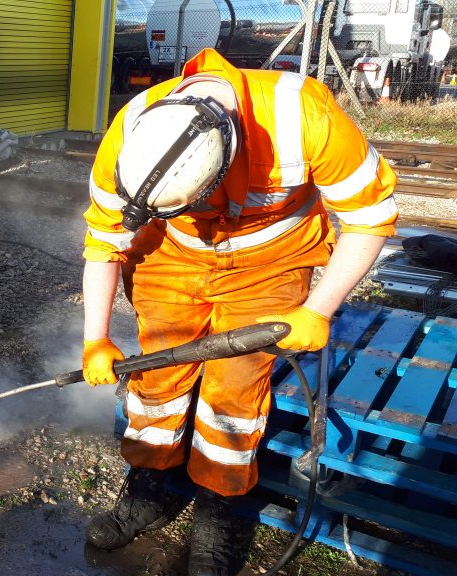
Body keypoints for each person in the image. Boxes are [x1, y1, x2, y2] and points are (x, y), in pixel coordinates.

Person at [80, 48, 397, 575]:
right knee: (156, 378)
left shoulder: (305, 119)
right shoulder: (131, 131)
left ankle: (219, 515)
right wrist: (95, 337)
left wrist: (318, 309)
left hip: (271, 263)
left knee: (234, 393)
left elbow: (370, 218)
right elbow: (103, 241)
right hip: (171, 256)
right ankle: (146, 491)